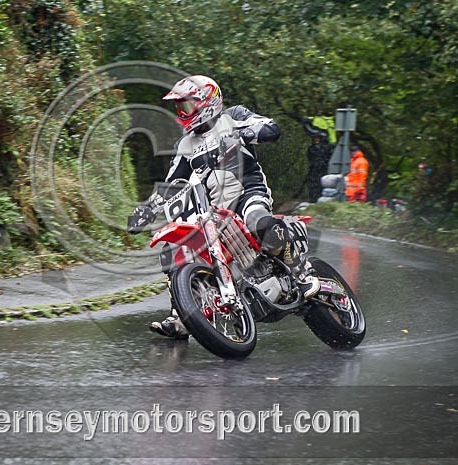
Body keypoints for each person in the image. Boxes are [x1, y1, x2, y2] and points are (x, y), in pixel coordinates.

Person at [128, 75, 320, 340]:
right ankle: (182, 317)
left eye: (187, 105)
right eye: (180, 107)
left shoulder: (234, 116)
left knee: (258, 221)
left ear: (206, 102)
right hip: (212, 210)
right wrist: (148, 209)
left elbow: (270, 127)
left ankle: (301, 272)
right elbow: (172, 183)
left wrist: (245, 134)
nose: (182, 112)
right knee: (174, 249)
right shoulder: (184, 145)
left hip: (247, 194)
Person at [305, 133, 333, 202]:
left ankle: (320, 198)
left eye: (318, 138)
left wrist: (323, 163)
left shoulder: (326, 147)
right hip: (314, 169)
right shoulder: (311, 148)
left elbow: (328, 157)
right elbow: (309, 157)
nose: (316, 140)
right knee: (313, 184)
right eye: (315, 138)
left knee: (322, 183)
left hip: (323, 169)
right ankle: (313, 198)